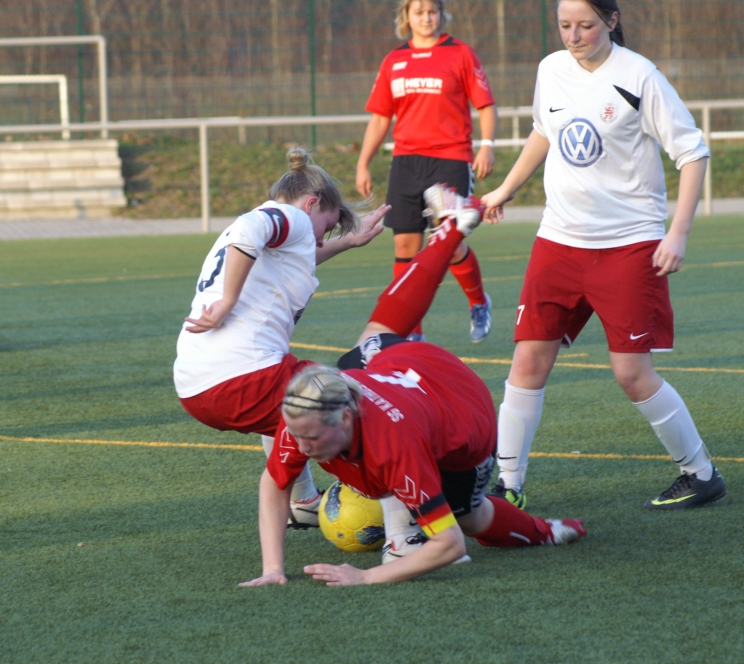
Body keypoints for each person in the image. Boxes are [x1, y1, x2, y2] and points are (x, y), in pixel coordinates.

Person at [240, 194, 586, 587]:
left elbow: (452, 545)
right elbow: (275, 481)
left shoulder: (394, 447)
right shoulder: (307, 409)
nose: (301, 447)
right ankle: (450, 231)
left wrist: (366, 577)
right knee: (373, 337)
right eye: (297, 435)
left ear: (347, 416)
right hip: (403, 369)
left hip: (462, 404)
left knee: (466, 514)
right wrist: (272, 569)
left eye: (312, 438)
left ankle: (545, 531)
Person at [479, 0, 724, 510]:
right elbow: (544, 132)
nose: (575, 36)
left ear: (611, 20)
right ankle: (508, 486)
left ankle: (700, 473)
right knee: (527, 359)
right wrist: (504, 189)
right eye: (565, 25)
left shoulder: (640, 76)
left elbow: (692, 152)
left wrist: (676, 233)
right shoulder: (550, 69)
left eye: (586, 25)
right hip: (559, 242)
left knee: (631, 373)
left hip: (629, 246)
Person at [174, 146, 388, 527]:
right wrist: (228, 301)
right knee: (353, 404)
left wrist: (350, 241)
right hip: (238, 378)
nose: (323, 239)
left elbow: (295, 251)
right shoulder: (289, 217)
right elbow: (251, 234)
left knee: (291, 403)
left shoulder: (281, 225)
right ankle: (403, 515)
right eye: (328, 226)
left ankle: (304, 501)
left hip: (197, 387)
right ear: (310, 204)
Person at [355, 0, 498, 343]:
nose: (426, 17)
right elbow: (380, 118)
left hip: (449, 159)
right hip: (406, 162)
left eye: (431, 11)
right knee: (405, 246)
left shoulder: (460, 53)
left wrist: (487, 145)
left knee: (446, 241)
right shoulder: (394, 60)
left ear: (441, 14)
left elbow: (486, 105)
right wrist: (363, 162)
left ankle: (479, 302)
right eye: (418, 11)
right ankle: (410, 332)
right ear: (407, 17)